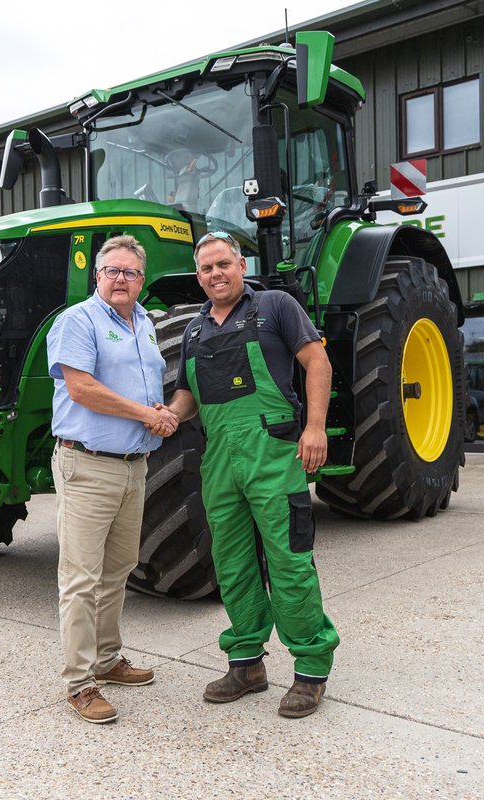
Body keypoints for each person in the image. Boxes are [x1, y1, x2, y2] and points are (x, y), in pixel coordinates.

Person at [163, 230, 339, 718]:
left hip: (274, 451)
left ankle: (310, 668)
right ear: (198, 277)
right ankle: (246, 663)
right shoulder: (194, 331)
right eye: (206, 269)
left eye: (223, 264)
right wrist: (164, 415)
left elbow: (316, 361)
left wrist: (315, 428)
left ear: (241, 266)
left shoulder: (277, 306)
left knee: (289, 561)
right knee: (232, 564)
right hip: (220, 460)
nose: (215, 274)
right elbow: (188, 396)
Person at [47, 234, 178, 724]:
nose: (121, 279)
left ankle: (107, 659)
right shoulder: (77, 321)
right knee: (80, 578)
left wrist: (158, 411)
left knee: (118, 569)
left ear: (142, 281)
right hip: (88, 464)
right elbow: (81, 388)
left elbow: (142, 385)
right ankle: (79, 683)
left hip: (133, 466)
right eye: (113, 271)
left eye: (130, 272)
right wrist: (146, 414)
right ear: (97, 275)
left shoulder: (144, 323)